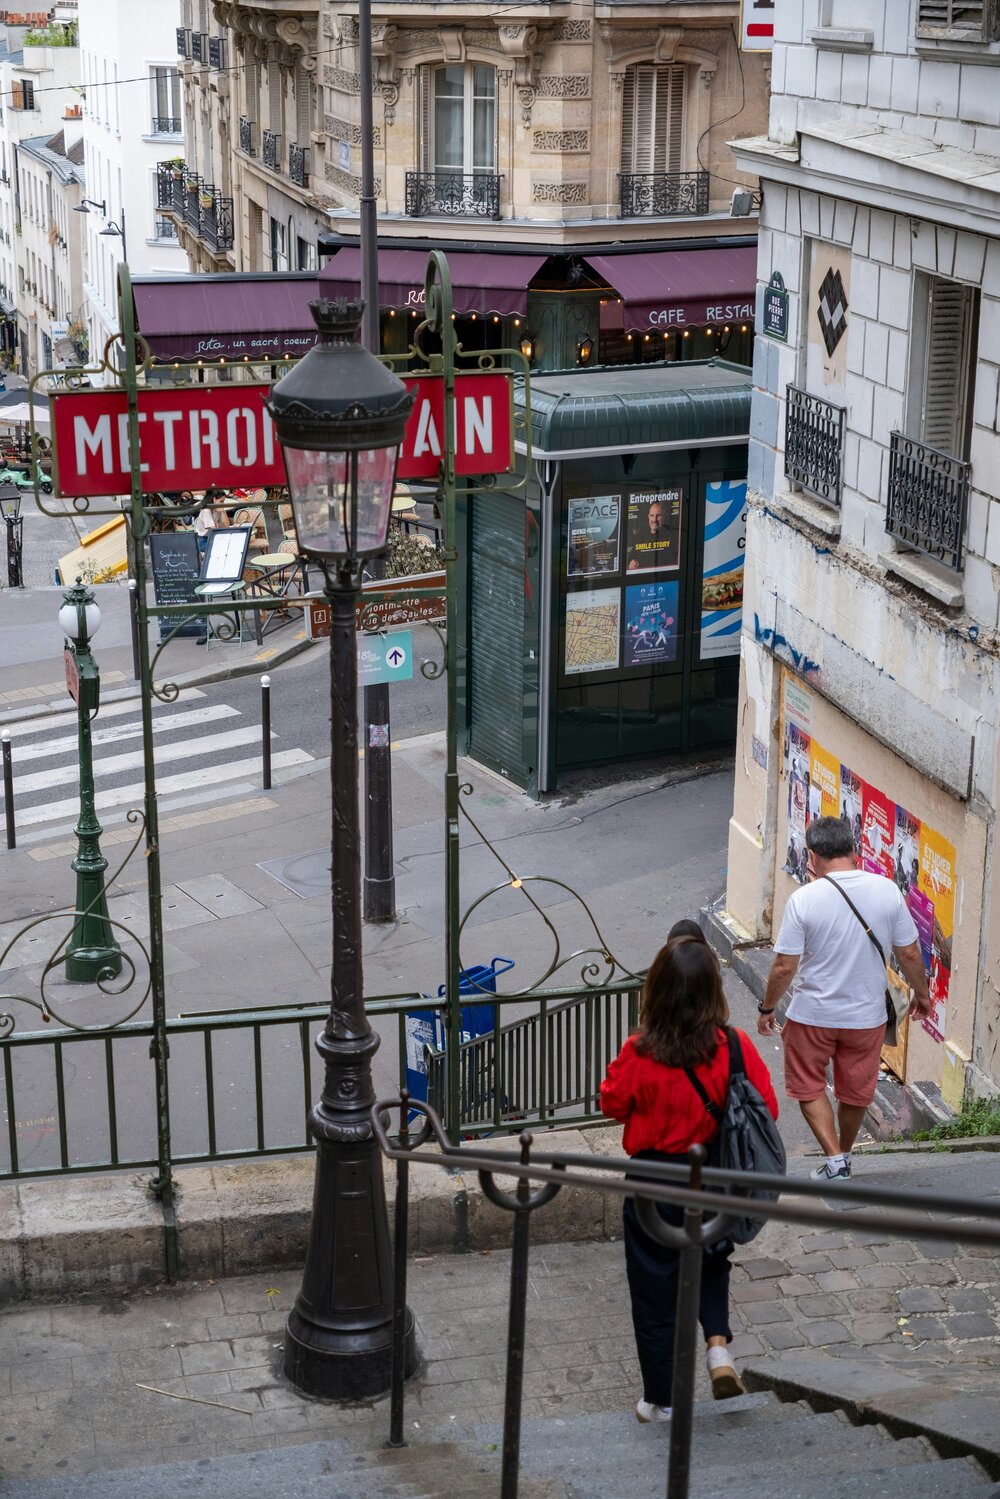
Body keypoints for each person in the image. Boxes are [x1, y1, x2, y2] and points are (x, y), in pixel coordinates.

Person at [601, 936, 778, 1424]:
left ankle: (662, 1400)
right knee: (711, 1258)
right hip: (716, 1179)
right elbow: (768, 1110)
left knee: (655, 1290)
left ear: (656, 989)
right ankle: (719, 1350)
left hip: (655, 1184)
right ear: (713, 990)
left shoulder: (639, 1051)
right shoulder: (735, 1046)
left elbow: (611, 1103)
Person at [758, 816, 931, 1181]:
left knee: (808, 1084)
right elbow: (911, 954)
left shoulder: (803, 899)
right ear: (853, 850)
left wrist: (768, 1007)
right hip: (866, 1017)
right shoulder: (886, 890)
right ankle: (845, 1156)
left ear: (811, 855)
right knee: (856, 1091)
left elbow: (783, 968)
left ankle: (835, 1160)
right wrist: (923, 994)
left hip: (812, 1015)